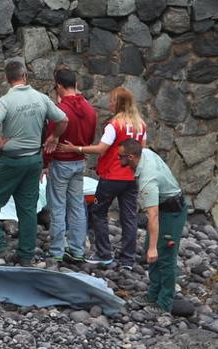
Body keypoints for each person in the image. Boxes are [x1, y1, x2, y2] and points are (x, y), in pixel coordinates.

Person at [0, 60, 69, 267]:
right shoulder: (41, 98)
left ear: (7, 78)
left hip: (11, 159)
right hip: (34, 159)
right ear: (25, 76)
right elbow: (63, 119)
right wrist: (54, 137)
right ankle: (26, 255)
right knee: (27, 208)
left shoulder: (5, 101)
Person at [58, 87, 146, 269]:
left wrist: (77, 149)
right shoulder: (140, 125)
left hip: (112, 176)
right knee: (129, 217)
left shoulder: (115, 125)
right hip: (131, 178)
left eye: (113, 100)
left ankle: (104, 253)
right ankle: (127, 259)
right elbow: (141, 152)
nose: (109, 103)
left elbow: (101, 148)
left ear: (119, 103)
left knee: (98, 212)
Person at [119, 139, 187, 316]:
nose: (119, 161)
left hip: (172, 213)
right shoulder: (145, 153)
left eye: (121, 157)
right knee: (153, 251)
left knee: (165, 257)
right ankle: (153, 294)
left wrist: (152, 248)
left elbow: (153, 215)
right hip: (165, 208)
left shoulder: (147, 180)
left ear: (132, 157)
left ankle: (164, 303)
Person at [42, 68, 97, 263]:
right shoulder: (90, 109)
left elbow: (50, 141)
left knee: (57, 206)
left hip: (60, 162)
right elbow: (90, 138)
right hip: (79, 161)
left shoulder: (60, 111)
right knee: (77, 206)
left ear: (58, 86)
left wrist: (45, 164)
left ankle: (57, 250)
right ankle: (78, 249)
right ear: (76, 84)